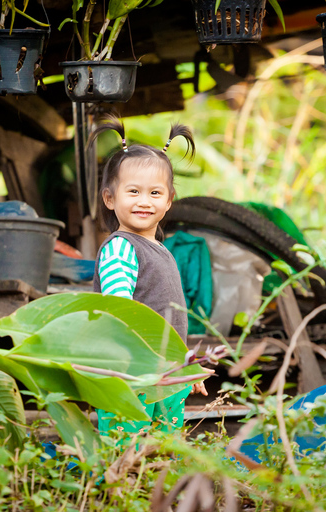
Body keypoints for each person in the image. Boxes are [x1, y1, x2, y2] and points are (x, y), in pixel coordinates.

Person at [91, 117, 207, 436]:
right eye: (133, 191)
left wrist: (183, 368)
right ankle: (117, 488)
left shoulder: (161, 251)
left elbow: (168, 319)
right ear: (110, 198)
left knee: (164, 448)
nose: (144, 201)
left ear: (168, 201)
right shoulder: (120, 249)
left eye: (155, 192)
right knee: (125, 445)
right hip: (130, 372)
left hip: (164, 374)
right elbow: (120, 312)